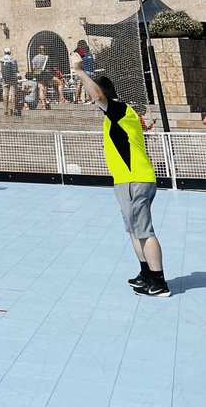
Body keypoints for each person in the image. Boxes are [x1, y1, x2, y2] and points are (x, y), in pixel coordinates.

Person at [70, 52, 170, 296]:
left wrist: (80, 71)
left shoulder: (117, 109)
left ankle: (159, 282)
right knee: (134, 230)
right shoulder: (119, 115)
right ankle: (146, 273)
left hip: (136, 179)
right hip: (125, 181)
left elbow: (98, 95)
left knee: (145, 231)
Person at [31, 45, 52, 110]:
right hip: (45, 74)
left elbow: (33, 68)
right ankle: (44, 103)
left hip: (37, 74)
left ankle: (43, 104)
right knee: (45, 88)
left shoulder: (34, 58)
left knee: (41, 89)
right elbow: (49, 67)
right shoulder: (46, 57)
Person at [0, 48, 19, 116]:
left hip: (5, 79)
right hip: (13, 78)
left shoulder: (1, 60)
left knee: (5, 94)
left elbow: (0, 70)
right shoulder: (13, 60)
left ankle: (5, 110)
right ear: (10, 52)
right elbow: (16, 70)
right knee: (13, 94)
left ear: (4, 52)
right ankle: (14, 109)